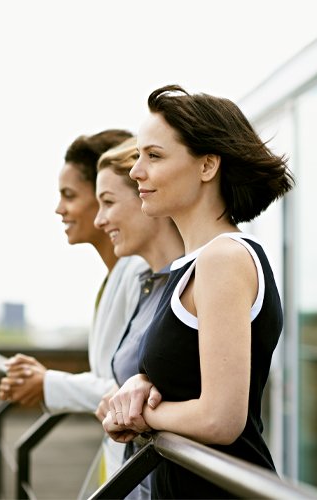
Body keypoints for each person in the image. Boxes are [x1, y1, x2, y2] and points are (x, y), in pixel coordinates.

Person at [103, 84, 294, 499]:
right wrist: (141, 381)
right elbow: (188, 372)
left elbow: (221, 418)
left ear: (207, 166)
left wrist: (143, 416)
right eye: (138, 156)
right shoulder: (195, 264)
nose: (137, 171)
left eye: (153, 156)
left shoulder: (223, 258)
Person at [0, 129, 148, 481]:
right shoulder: (116, 275)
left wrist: (47, 383)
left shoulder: (141, 273)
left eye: (69, 195)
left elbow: (122, 387)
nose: (59, 209)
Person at [91, 137, 184, 498]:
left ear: (145, 197)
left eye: (109, 202)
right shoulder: (147, 285)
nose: (100, 220)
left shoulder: (189, 285)